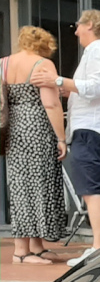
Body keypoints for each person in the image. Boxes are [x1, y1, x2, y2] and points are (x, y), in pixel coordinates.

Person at [34, 9, 100, 266]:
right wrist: (67, 90)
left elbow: (96, 87)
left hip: (91, 131)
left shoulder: (96, 51)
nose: (74, 31)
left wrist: (57, 80)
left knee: (92, 193)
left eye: (78, 25)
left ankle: (97, 250)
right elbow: (94, 90)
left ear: (90, 25)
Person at [3, 26, 67, 264]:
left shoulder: (4, 64)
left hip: (13, 129)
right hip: (37, 128)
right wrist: (61, 138)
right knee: (39, 184)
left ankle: (36, 246)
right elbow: (51, 104)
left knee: (20, 185)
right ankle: (21, 251)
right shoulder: (43, 64)